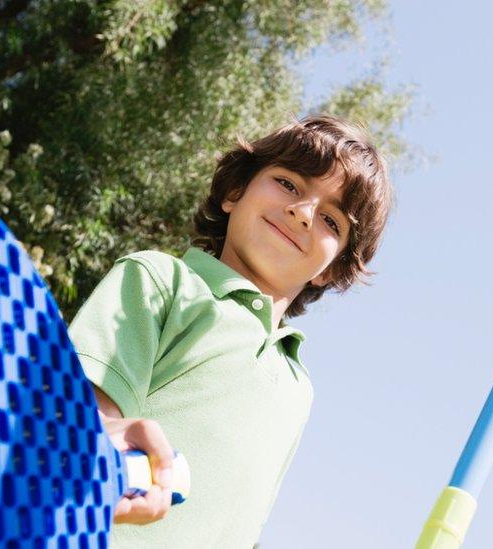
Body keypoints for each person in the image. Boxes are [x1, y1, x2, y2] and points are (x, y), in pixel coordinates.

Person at [68, 113, 394, 547]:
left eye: (331, 220)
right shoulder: (161, 280)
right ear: (235, 192)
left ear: (330, 270)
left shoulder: (299, 389)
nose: (302, 212)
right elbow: (77, 416)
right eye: (289, 183)